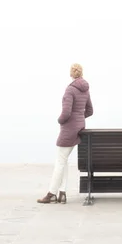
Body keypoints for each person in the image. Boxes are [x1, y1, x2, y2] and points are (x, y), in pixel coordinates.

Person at [37, 63, 93, 204]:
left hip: (68, 130)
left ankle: (51, 194)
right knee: (64, 160)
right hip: (80, 128)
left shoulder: (70, 90)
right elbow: (90, 110)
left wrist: (60, 120)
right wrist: (79, 117)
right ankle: (62, 193)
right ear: (81, 73)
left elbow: (66, 113)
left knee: (60, 161)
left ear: (71, 74)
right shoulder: (85, 90)